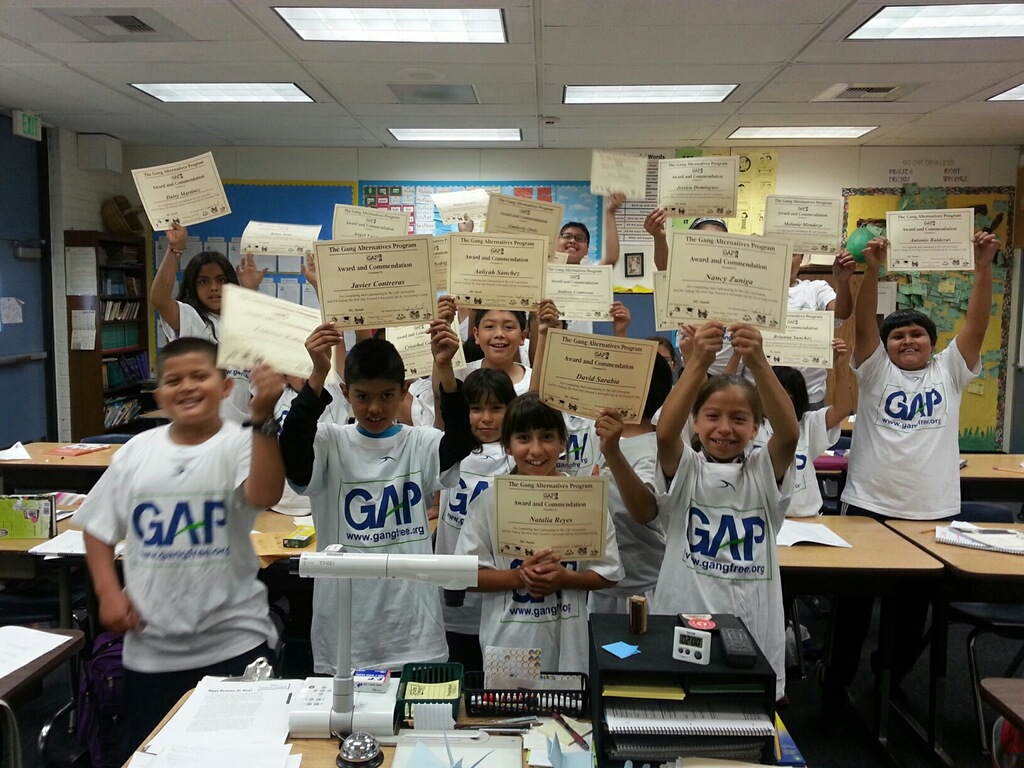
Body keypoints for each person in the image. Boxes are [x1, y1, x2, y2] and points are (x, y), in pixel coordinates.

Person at [76, 337, 285, 759]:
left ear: (226, 387)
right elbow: (96, 528)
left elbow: (265, 492)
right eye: (174, 380)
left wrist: (262, 417)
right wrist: (107, 592)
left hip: (234, 644)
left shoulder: (240, 443)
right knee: (155, 757)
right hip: (151, 654)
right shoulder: (135, 452)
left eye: (199, 376)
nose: (186, 387)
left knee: (238, 758)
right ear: (158, 395)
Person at [821, 231, 1000, 718]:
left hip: (930, 512)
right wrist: (871, 271)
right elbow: (861, 331)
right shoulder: (875, 371)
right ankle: (835, 689)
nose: (907, 341)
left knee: (910, 617)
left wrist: (983, 266)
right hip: (867, 508)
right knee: (852, 613)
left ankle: (888, 678)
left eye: (916, 334)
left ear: (932, 344)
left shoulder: (950, 371)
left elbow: (978, 326)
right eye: (898, 335)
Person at [279, 314, 473, 673]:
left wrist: (444, 368)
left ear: (403, 393)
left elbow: (460, 439)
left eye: (386, 396)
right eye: (362, 396)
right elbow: (293, 455)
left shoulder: (420, 443)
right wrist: (318, 374)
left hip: (415, 631)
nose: (374, 408)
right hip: (346, 633)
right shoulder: (330, 441)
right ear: (345, 393)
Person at [653, 321, 799, 700]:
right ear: (696, 422)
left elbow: (789, 434)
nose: (724, 429)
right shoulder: (688, 469)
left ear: (755, 428)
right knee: (683, 713)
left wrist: (759, 360)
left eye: (739, 419)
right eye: (712, 417)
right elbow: (666, 433)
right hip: (686, 616)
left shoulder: (763, 473)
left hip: (753, 622)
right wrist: (697, 362)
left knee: (749, 721)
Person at [455, 393, 623, 672]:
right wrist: (518, 576)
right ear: (507, 445)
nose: (535, 450)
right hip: (508, 645)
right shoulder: (488, 504)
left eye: (546, 437)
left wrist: (567, 578)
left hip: (569, 648)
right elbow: (467, 576)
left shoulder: (586, 501)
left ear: (562, 443)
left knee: (567, 714)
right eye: (523, 438)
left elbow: (609, 574)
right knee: (509, 715)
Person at [434, 368, 517, 671]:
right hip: (452, 600)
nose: (486, 418)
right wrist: (440, 362)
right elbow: (441, 398)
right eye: (476, 408)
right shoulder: (452, 452)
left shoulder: (517, 456)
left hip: (499, 597)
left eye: (496, 408)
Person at [150, 223, 267, 422]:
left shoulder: (241, 323)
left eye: (221, 280)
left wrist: (248, 292)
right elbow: (159, 298)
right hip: (201, 427)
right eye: (203, 281)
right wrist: (174, 250)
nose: (214, 288)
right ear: (192, 286)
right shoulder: (190, 317)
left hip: (242, 429)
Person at [590, 354, 674, 614]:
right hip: (600, 582)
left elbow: (644, 511)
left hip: (640, 589)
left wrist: (613, 453)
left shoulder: (653, 449)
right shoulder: (601, 436)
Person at [758, 338, 854, 518]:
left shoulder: (808, 423)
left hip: (805, 517)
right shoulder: (751, 425)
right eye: (772, 396)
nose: (779, 404)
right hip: (761, 517)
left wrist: (841, 367)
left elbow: (842, 409)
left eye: (787, 398)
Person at [784, 250, 855, 408]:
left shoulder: (816, 289)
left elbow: (842, 313)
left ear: (801, 258)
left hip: (810, 394)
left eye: (792, 254)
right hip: (759, 392)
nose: (784, 259)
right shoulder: (754, 292)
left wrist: (842, 281)